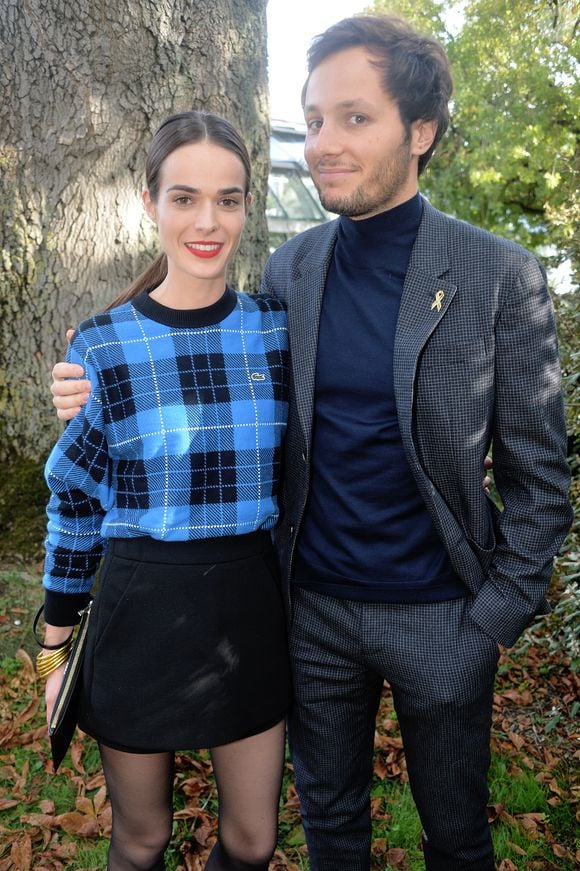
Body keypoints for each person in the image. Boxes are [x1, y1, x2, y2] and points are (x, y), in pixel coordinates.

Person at [49, 13, 573, 871]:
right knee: (331, 830)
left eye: (354, 118)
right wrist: (88, 374)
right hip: (310, 614)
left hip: (443, 614)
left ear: (422, 130)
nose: (324, 141)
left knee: (457, 835)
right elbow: (200, 346)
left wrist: (492, 624)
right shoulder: (296, 268)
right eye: (316, 117)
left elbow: (540, 478)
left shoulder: (496, 275)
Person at [38, 110, 291, 871]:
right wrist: (55, 650)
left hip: (247, 611)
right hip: (140, 609)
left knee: (253, 839)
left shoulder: (277, 330)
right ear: (150, 203)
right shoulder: (102, 342)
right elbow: (76, 496)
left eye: (229, 198)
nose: (208, 221)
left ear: (249, 206)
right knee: (140, 838)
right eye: (184, 198)